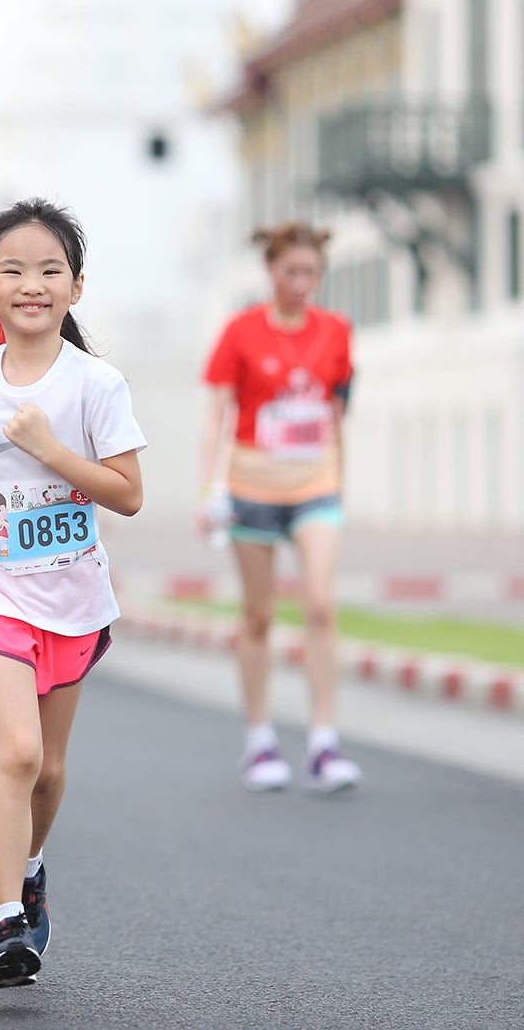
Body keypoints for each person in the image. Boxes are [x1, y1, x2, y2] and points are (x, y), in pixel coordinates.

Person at [0, 198, 145, 986]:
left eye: (49, 269)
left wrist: (50, 448)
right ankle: (5, 922)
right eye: (13, 270)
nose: (32, 284)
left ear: (77, 286)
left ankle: (28, 870)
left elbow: (126, 494)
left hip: (72, 593)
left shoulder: (97, 382)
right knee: (17, 748)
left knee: (50, 768)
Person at [198, 223, 361, 794]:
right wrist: (209, 489)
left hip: (316, 483)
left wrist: (341, 476)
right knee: (259, 614)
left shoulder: (338, 331)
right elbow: (217, 413)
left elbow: (338, 409)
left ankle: (323, 740)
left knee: (319, 602)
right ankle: (260, 737)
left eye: (311, 273)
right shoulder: (240, 331)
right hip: (252, 485)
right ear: (271, 271)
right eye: (290, 272)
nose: (301, 283)